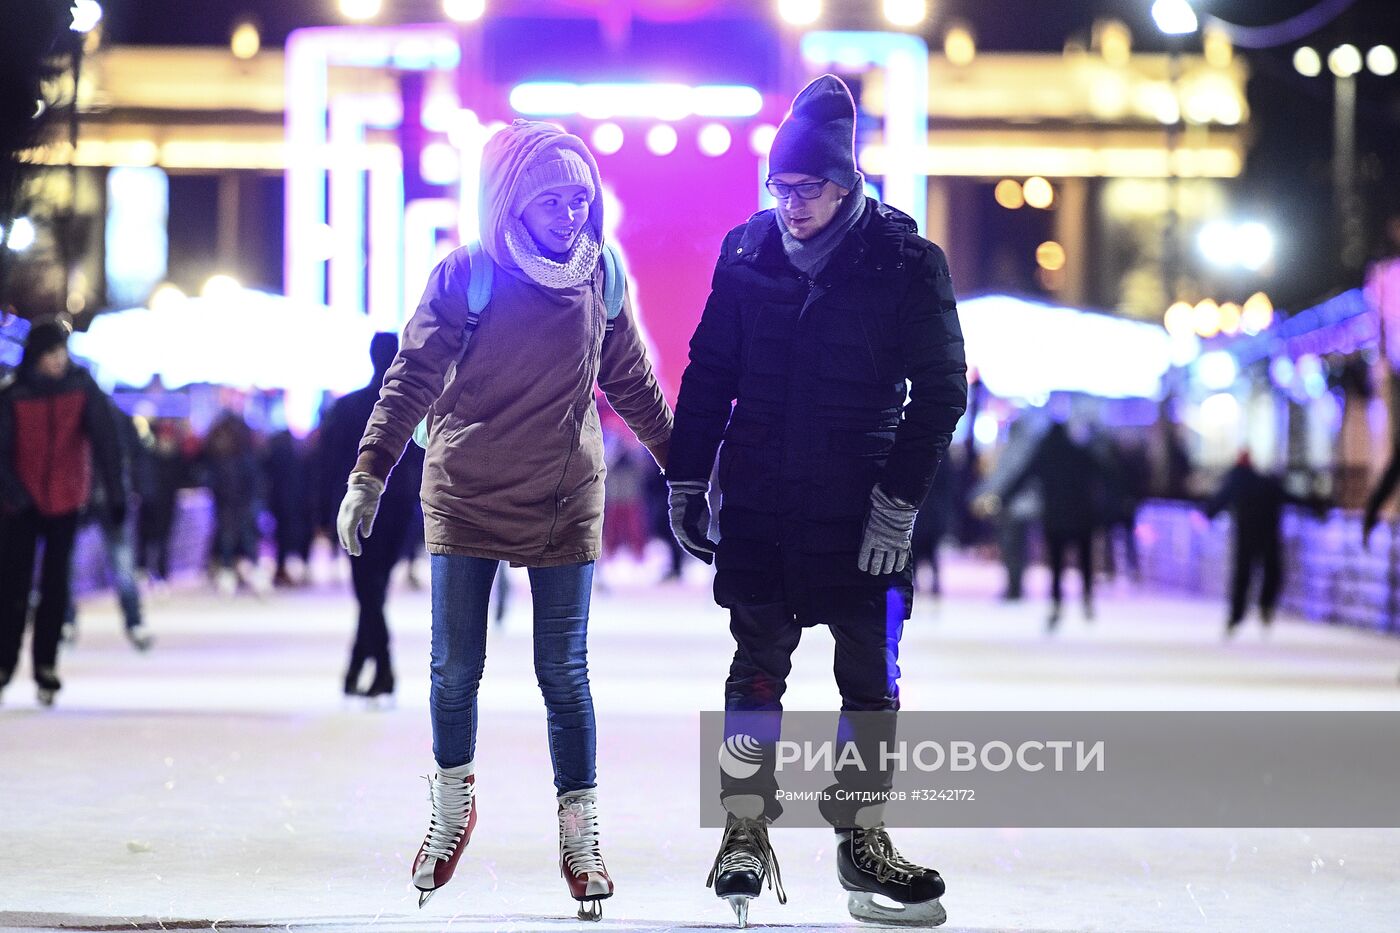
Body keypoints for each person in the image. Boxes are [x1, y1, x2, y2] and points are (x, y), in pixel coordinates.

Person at [336, 120, 672, 917]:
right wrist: (369, 473)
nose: (569, 213)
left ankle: (580, 830)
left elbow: (633, 383)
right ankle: (454, 806)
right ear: (513, 200)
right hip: (466, 490)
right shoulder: (468, 275)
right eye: (552, 199)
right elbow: (410, 378)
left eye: (580, 198)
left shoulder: (602, 276)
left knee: (564, 671)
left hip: (564, 492)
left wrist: (684, 470)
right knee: (456, 667)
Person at [665, 75, 966, 928]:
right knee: (757, 662)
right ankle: (745, 826)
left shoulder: (905, 261)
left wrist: (897, 501)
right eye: (780, 188)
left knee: (870, 675)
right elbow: (709, 372)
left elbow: (942, 388)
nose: (791, 205)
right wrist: (689, 477)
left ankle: (861, 830)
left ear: (847, 183)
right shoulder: (746, 251)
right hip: (760, 494)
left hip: (860, 497)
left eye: (808, 189)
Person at [0, 317, 123, 706]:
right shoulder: (13, 394)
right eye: (51, 354)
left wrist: (115, 493)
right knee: (12, 588)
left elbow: (107, 443)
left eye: (62, 353)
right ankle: (3, 663)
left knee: (56, 587)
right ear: (36, 357)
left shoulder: (82, 389)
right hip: (19, 505)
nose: (59, 361)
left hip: (66, 501)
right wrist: (15, 496)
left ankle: (45, 666)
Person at [319, 332, 424, 702]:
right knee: (373, 590)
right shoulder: (409, 408)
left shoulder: (347, 408)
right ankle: (364, 668)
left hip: (359, 504)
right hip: (399, 510)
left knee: (369, 590)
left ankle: (379, 669)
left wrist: (322, 512)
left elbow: (327, 464)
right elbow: (421, 460)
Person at [991, 422, 1103, 630]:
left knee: (1058, 564)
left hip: (1055, 519)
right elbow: (1105, 474)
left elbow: (1023, 477)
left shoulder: (1046, 455)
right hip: (1082, 517)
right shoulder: (1080, 453)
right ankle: (1087, 597)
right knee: (1085, 560)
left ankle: (1057, 603)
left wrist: (1002, 498)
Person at [1203, 451, 1322, 636]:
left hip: (1246, 536)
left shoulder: (1237, 480)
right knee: (1271, 572)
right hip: (1268, 535)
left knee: (1243, 577)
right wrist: (1315, 508)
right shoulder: (1266, 482)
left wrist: (1207, 514)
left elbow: (1219, 501)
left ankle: (1237, 615)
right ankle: (1265, 605)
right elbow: (1289, 497)